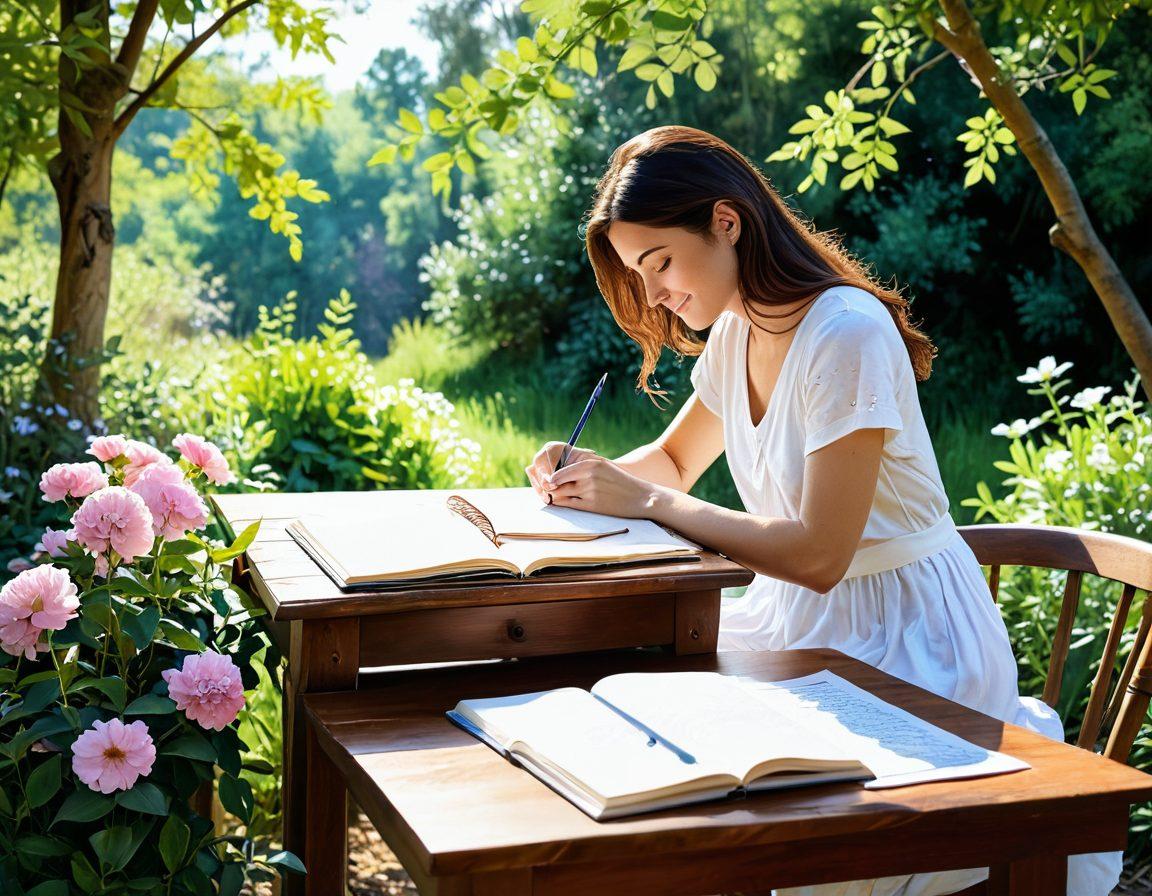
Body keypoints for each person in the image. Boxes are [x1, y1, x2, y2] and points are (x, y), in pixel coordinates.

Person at [524, 125, 1119, 896]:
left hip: (910, 639)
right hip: (802, 621)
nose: (654, 294)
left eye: (660, 262)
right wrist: (583, 475)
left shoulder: (845, 332)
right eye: (641, 275)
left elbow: (817, 555)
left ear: (726, 222)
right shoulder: (737, 331)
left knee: (747, 814)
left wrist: (647, 501)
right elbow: (671, 462)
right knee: (631, 722)